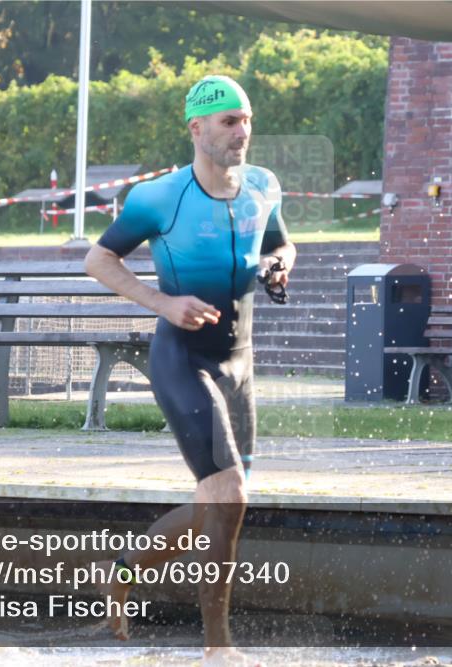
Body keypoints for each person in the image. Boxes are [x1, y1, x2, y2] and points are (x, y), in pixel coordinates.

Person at [84, 74, 296, 667]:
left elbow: (281, 243)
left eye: (247, 119)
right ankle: (218, 648)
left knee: (225, 501)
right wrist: (163, 303)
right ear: (196, 128)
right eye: (229, 121)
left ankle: (120, 571)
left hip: (240, 363)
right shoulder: (160, 198)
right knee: (225, 494)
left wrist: (278, 265)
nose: (242, 131)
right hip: (183, 359)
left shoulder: (262, 186)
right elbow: (98, 258)